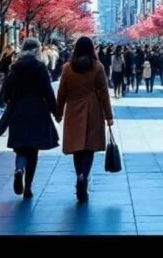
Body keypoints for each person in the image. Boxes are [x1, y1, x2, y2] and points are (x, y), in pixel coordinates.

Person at [0, 38, 58, 200]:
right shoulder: (40, 68)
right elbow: (48, 91)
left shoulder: (15, 68)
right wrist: (56, 111)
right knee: (33, 150)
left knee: (21, 148)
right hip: (37, 111)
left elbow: (6, 92)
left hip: (18, 111)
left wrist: (10, 101)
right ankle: (28, 187)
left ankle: (19, 169)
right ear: (37, 50)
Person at [56, 36, 114, 203]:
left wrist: (59, 112)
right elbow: (104, 93)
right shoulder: (97, 67)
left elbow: (62, 92)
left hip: (73, 109)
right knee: (89, 147)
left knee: (77, 148)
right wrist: (108, 116)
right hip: (93, 109)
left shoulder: (67, 68)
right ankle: (84, 176)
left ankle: (79, 175)